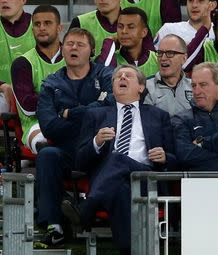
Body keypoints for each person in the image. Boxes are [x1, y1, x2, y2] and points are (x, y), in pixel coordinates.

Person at [61, 64, 176, 255]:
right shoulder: (95, 115)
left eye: (128, 76)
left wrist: (165, 157)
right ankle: (128, 250)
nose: (121, 77)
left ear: (141, 87)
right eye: (117, 77)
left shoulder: (158, 115)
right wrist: (96, 142)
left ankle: (85, 210)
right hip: (110, 182)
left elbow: (175, 159)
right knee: (120, 189)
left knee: (117, 159)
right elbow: (79, 162)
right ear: (113, 87)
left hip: (147, 178)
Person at [34, 28, 114, 248]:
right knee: (47, 154)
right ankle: (54, 226)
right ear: (62, 48)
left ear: (92, 51)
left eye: (80, 44)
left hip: (100, 147)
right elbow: (50, 127)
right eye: (69, 44)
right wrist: (89, 115)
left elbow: (110, 109)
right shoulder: (51, 84)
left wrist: (70, 113)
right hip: (68, 149)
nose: (74, 48)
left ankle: (85, 212)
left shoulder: (106, 76)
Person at [11, 5, 65, 154]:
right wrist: (67, 100)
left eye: (47, 23)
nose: (41, 28)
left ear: (59, 28)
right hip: (36, 124)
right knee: (46, 147)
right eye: (37, 24)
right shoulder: (22, 63)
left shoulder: (73, 57)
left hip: (71, 119)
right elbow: (28, 107)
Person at [96, 7, 158, 77]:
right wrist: (109, 43)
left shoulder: (157, 60)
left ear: (144, 32)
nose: (124, 31)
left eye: (131, 27)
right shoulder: (110, 57)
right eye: (120, 26)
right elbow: (101, 76)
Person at [144, 34, 192, 117]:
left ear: (184, 58)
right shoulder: (146, 86)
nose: (163, 58)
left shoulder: (194, 86)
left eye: (170, 53)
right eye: (160, 53)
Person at [0, 0, 35, 111]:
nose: (3, 1)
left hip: (35, 94)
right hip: (2, 95)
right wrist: (1, 86)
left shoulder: (39, 24)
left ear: (23, 0)